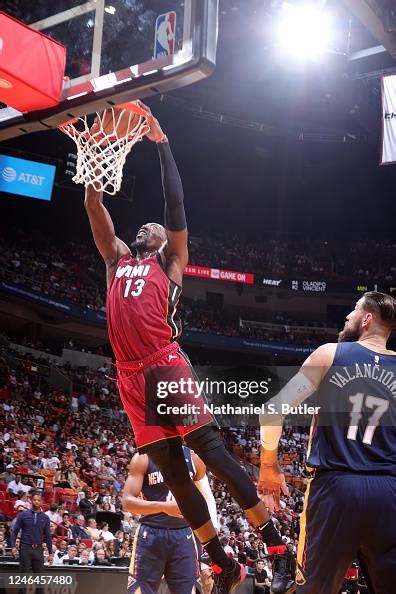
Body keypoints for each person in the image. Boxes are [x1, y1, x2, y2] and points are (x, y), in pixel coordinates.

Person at [85, 102, 294, 594]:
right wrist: (96, 161)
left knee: (214, 456)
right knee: (177, 477)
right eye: (142, 227)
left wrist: (162, 144)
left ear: (166, 241)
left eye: (152, 228)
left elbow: (175, 208)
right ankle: (222, 565)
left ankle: (276, 546)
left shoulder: (171, 261)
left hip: (164, 365)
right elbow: (95, 211)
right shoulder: (116, 260)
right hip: (129, 376)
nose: (146, 227)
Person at [258, 292, 396, 594]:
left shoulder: (330, 355)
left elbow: (272, 410)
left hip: (334, 489)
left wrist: (268, 465)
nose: (347, 316)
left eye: (353, 310)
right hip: (389, 494)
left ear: (366, 319)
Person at [122, 446, 217, 593]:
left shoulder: (194, 458)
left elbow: (206, 498)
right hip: (150, 534)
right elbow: (127, 502)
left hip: (184, 535)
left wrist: (210, 537)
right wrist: (164, 507)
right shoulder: (143, 457)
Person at [10, 491, 53, 571]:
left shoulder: (45, 517)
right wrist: (13, 547)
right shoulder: (23, 515)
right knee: (23, 577)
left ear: (41, 502)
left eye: (38, 500)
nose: (36, 501)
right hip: (25, 548)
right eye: (34, 500)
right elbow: (14, 532)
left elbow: (48, 536)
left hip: (38, 549)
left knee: (40, 579)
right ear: (31, 501)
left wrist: (50, 553)